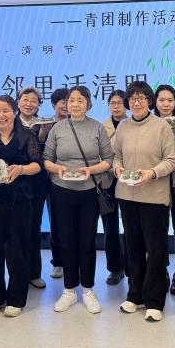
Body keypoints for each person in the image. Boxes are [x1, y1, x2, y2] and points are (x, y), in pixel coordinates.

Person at [44, 86, 113, 314]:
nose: (74, 104)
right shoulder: (57, 129)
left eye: (80, 100)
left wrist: (90, 170)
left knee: (87, 241)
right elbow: (47, 159)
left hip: (88, 191)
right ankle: (69, 290)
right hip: (61, 190)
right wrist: (58, 169)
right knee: (66, 241)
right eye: (71, 100)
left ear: (88, 104)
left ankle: (88, 289)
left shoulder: (97, 128)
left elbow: (108, 159)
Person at [113, 81, 175, 322]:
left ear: (150, 101)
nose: (137, 102)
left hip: (154, 197)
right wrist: (118, 169)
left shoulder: (162, 126)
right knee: (134, 247)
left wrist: (152, 173)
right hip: (127, 195)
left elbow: (171, 160)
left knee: (156, 249)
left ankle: (154, 300)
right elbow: (115, 156)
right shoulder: (123, 126)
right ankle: (135, 295)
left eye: (141, 98)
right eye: (132, 98)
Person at [0, 95, 42, 318]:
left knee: (18, 250)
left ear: (14, 112)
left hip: (20, 202)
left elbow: (38, 165)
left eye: (5, 110)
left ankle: (16, 298)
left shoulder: (26, 137)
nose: (1, 115)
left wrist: (21, 169)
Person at [17, 86, 58, 289]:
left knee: (33, 227)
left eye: (34, 100)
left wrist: (43, 136)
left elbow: (47, 155)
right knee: (15, 229)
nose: (29, 103)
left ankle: (33, 273)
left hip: (37, 183)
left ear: (39, 105)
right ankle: (17, 273)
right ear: (18, 102)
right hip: (14, 182)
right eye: (25, 99)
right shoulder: (9, 122)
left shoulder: (45, 124)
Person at [153, 84, 175, 295]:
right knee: (158, 229)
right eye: (162, 100)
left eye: (170, 100)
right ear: (155, 102)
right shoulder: (149, 124)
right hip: (156, 182)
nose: (166, 104)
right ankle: (162, 270)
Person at [38, 87, 69, 280]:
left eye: (69, 101)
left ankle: (74, 259)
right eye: (62, 102)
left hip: (75, 179)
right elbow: (39, 151)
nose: (66, 105)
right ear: (54, 104)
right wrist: (43, 134)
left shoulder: (78, 124)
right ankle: (58, 262)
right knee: (56, 222)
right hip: (52, 180)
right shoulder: (46, 124)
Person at [101, 89, 128, 284]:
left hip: (129, 179)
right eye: (113, 103)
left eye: (120, 103)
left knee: (131, 226)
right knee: (110, 226)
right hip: (107, 180)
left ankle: (133, 267)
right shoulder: (101, 127)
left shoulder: (134, 123)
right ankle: (115, 268)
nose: (116, 106)